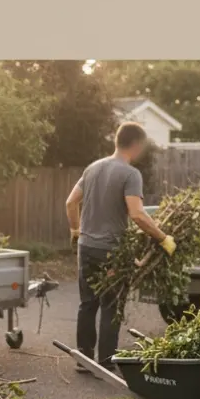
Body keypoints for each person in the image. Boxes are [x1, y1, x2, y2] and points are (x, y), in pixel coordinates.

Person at [64, 122, 177, 373]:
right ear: (136, 145)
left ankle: (84, 359)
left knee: (88, 303)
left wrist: (75, 231)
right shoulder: (130, 174)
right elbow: (137, 215)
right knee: (110, 306)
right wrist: (162, 238)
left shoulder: (93, 168)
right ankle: (105, 363)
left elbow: (71, 203)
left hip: (86, 248)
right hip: (112, 252)